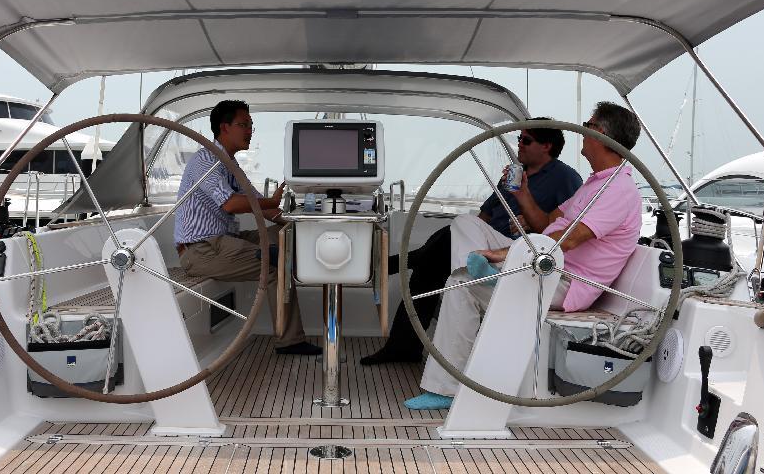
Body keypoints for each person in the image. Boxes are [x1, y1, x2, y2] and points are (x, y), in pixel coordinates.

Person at [406, 102, 643, 409]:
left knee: (459, 286)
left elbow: (567, 241)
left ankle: (446, 388)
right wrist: (522, 195)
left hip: (564, 281)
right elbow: (548, 226)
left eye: (588, 123)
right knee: (464, 225)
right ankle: (481, 274)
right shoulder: (596, 183)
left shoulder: (618, 189)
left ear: (600, 134)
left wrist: (500, 254)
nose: (582, 129)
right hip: (545, 264)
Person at [361, 118, 582, 365]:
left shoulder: (566, 179)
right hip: (483, 243)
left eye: (526, 140)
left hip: (514, 252)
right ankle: (402, 326)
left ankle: (386, 273)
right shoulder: (513, 174)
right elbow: (485, 214)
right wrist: (473, 235)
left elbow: (560, 233)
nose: (519, 144)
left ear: (547, 146)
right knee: (440, 247)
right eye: (519, 138)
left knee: (430, 261)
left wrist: (528, 217)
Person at [175, 100, 321, 355]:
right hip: (201, 251)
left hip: (224, 242)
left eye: (251, 125)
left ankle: (294, 258)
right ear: (224, 128)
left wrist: (305, 224)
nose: (250, 131)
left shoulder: (230, 166)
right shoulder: (205, 161)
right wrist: (272, 200)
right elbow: (231, 204)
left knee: (284, 235)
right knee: (274, 265)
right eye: (243, 125)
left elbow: (263, 209)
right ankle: (290, 341)